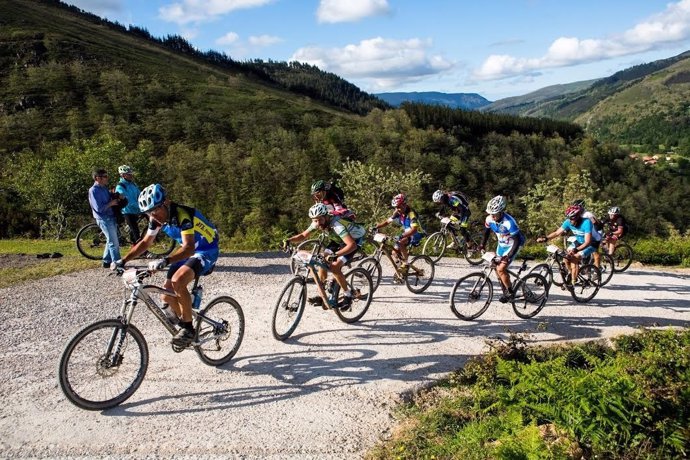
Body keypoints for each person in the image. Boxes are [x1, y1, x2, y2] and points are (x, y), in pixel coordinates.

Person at [112, 184, 219, 347]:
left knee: (178, 281)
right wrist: (123, 260)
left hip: (207, 250)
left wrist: (165, 260)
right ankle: (186, 317)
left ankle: (188, 329)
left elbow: (189, 247)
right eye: (148, 213)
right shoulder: (155, 219)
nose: (153, 216)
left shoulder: (183, 215)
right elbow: (146, 242)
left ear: (166, 203)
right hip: (188, 251)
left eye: (155, 210)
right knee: (166, 295)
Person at [283, 203, 366, 310]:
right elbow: (303, 235)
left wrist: (335, 255)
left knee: (335, 266)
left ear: (326, 216)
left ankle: (348, 295)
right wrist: (289, 240)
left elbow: (351, 245)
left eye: (320, 220)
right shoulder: (317, 222)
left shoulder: (337, 225)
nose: (317, 223)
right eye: (315, 220)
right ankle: (323, 293)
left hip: (354, 240)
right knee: (322, 260)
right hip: (338, 240)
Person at [478, 195, 526, 302]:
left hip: (513, 244)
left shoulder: (509, 222)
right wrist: (482, 245)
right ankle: (505, 290)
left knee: (501, 268)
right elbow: (486, 233)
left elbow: (517, 241)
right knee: (495, 266)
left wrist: (508, 256)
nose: (492, 216)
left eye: (495, 214)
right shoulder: (489, 219)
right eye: (491, 214)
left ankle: (510, 292)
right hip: (502, 244)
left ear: (501, 212)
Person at [537, 203, 595, 287]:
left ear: (578, 217)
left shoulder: (586, 222)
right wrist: (546, 238)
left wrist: (576, 250)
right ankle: (573, 276)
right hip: (579, 242)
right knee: (566, 259)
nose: (570, 221)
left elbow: (587, 242)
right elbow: (557, 232)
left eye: (572, 218)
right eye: (569, 218)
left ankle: (573, 282)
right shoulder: (568, 222)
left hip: (591, 244)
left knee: (574, 257)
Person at [371, 193, 426, 273]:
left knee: (400, 242)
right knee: (394, 253)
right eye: (396, 207)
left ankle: (406, 264)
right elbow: (387, 222)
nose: (397, 209)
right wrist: (376, 227)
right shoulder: (398, 212)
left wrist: (401, 235)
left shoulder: (411, 214)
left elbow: (414, 230)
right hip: (407, 232)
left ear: (404, 204)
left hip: (416, 233)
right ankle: (402, 270)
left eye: (399, 207)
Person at [88, 168, 121, 269]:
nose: (107, 178)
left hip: (110, 217)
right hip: (104, 218)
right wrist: (110, 203)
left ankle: (106, 261)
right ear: (98, 178)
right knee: (113, 242)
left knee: (110, 240)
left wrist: (116, 196)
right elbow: (98, 208)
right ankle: (118, 262)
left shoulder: (104, 188)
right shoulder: (93, 191)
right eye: (105, 176)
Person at [114, 165, 142, 244]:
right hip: (127, 211)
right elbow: (127, 201)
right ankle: (143, 251)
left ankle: (135, 249)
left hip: (135, 210)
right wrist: (139, 206)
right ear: (122, 175)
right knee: (136, 232)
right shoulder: (120, 186)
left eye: (131, 174)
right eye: (128, 174)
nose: (131, 175)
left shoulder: (133, 184)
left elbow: (140, 195)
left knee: (133, 233)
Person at [571, 199, 602, 267]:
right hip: (584, 235)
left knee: (595, 253)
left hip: (594, 235)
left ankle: (597, 270)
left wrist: (595, 234)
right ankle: (585, 266)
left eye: (578, 206)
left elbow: (596, 224)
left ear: (582, 206)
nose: (576, 208)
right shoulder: (576, 214)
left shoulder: (587, 214)